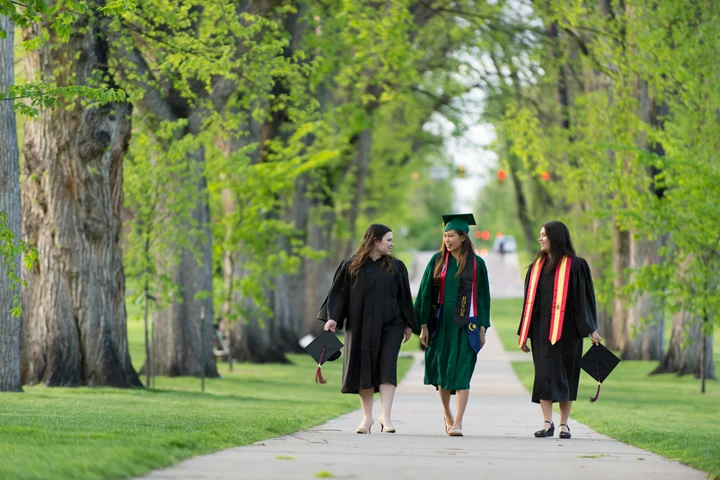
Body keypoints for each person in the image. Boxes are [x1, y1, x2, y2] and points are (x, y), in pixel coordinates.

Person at [317, 224, 416, 434]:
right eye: (388, 240)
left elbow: (404, 297)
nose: (392, 244)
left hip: (392, 325)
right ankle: (367, 418)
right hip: (360, 325)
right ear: (375, 241)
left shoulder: (396, 267)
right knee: (364, 368)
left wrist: (408, 324)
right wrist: (333, 318)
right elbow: (339, 294)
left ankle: (386, 417)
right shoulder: (351, 266)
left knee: (388, 367)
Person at [517, 220, 602, 439]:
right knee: (543, 376)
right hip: (541, 332)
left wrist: (591, 328)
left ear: (555, 236)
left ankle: (564, 424)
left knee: (567, 375)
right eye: (539, 234)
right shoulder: (536, 267)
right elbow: (529, 302)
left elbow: (584, 300)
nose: (540, 238)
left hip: (568, 333)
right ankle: (547, 422)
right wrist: (524, 333)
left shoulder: (576, 265)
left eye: (543, 234)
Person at [414, 213, 490, 437]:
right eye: (445, 235)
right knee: (443, 370)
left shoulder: (477, 264)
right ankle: (447, 414)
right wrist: (424, 326)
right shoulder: (437, 261)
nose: (447, 240)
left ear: (463, 237)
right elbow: (425, 294)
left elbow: (484, 297)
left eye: (452, 236)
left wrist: (484, 327)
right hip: (441, 323)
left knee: (463, 371)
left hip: (468, 326)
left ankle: (458, 422)